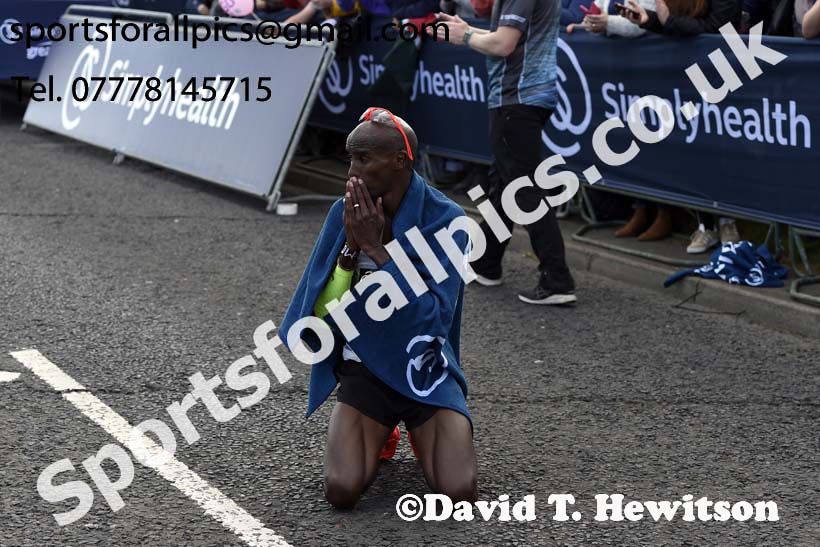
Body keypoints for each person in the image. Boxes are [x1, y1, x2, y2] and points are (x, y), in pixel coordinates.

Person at [280, 108, 477, 509]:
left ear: (400, 161)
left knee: (458, 493)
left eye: (364, 159)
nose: (351, 170)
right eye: (350, 157)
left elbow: (432, 318)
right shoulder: (344, 212)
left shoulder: (447, 220)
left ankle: (425, 426)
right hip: (365, 367)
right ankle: (384, 427)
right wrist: (350, 253)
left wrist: (377, 251)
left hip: (423, 367)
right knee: (342, 490)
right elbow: (320, 314)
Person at [429, 1, 577, 305]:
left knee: (524, 190)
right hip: (525, 95)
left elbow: (504, 44)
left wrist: (464, 37)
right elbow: (511, 37)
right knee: (505, 184)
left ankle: (557, 279)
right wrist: (468, 28)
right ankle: (486, 264)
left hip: (517, 96)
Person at [622, 0, 742, 253]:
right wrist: (649, 21)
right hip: (683, 73)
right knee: (694, 149)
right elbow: (675, 26)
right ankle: (705, 225)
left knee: (719, 150)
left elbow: (716, 27)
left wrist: (667, 21)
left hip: (719, 74)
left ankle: (728, 222)